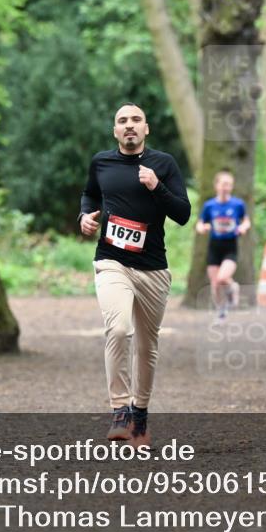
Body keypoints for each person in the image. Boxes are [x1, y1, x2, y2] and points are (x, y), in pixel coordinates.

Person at [79, 103, 190, 447]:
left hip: (153, 268)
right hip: (111, 261)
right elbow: (90, 194)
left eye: (136, 120)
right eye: (122, 121)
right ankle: (119, 410)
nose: (129, 126)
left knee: (147, 345)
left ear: (146, 129)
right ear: (115, 131)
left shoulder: (163, 164)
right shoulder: (102, 162)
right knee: (118, 328)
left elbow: (183, 213)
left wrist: (157, 186)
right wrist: (84, 216)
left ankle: (140, 413)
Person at [196, 169, 251, 320]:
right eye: (223, 184)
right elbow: (200, 223)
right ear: (216, 186)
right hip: (214, 246)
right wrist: (202, 228)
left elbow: (246, 221)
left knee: (222, 278)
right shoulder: (209, 206)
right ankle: (221, 311)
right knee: (215, 283)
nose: (226, 187)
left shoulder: (238, 204)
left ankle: (233, 287)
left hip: (230, 246)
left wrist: (243, 227)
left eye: (229, 185)